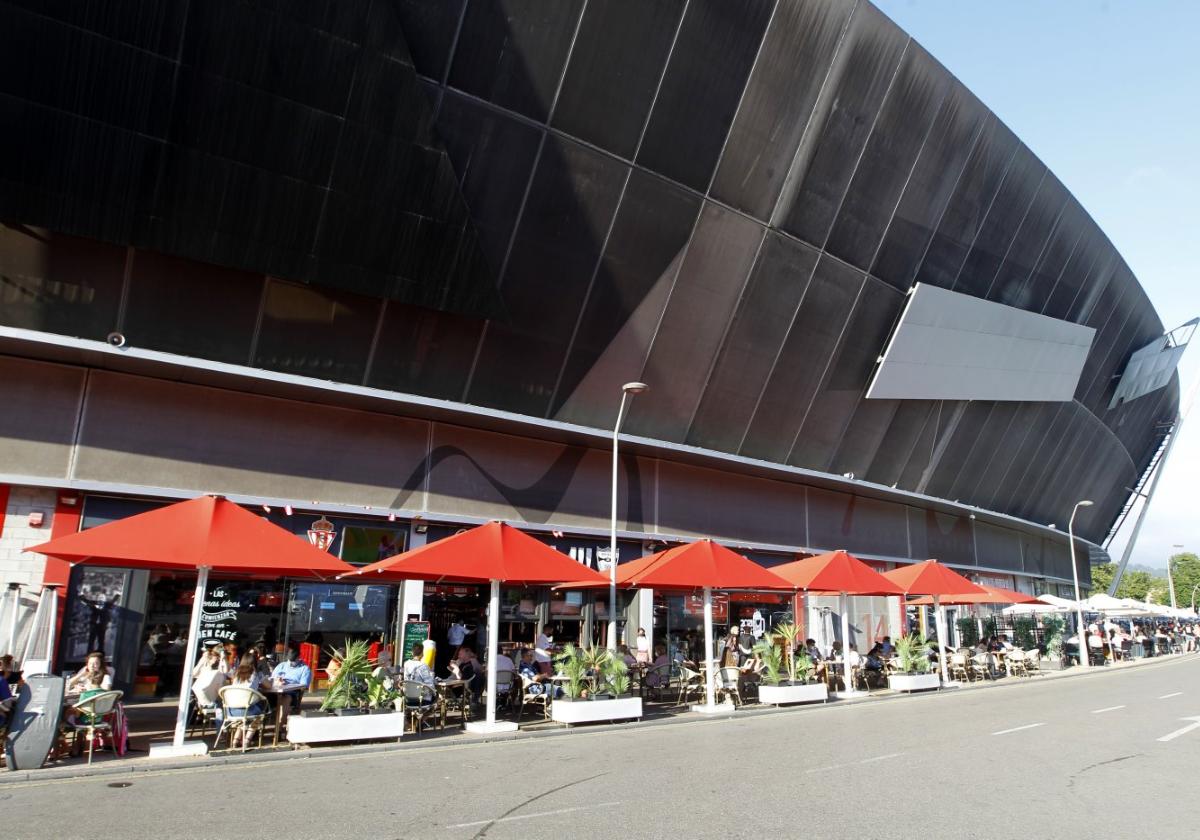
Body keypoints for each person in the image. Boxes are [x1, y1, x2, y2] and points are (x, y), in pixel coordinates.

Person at [270, 648, 312, 714]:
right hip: (276, 689)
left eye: (293, 661)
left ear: (298, 657)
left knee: (286, 697)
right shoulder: (281, 665)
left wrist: (289, 684)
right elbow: (272, 678)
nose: (290, 663)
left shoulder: (304, 669)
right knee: (264, 696)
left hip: (291, 692)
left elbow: (304, 686)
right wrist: (277, 680)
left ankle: (281, 722)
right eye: (289, 661)